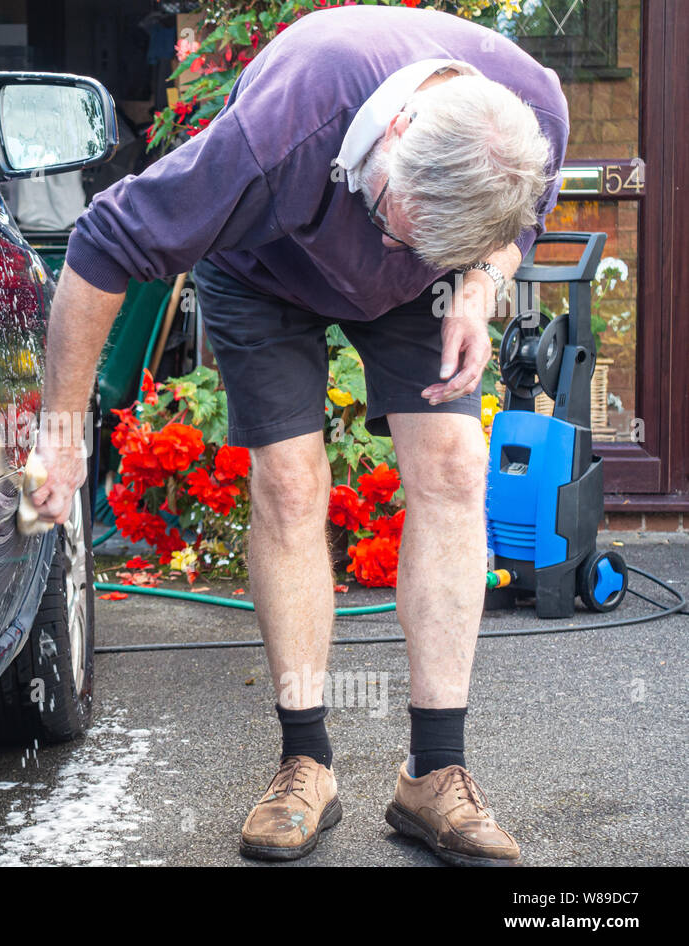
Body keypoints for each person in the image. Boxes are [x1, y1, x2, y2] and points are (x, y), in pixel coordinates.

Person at [28, 3, 567, 866]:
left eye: (422, 240)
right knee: (289, 481)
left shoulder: (531, 108)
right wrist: (60, 432)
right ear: (395, 131)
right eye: (397, 222)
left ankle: (435, 773)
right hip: (262, 269)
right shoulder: (285, 124)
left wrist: (480, 277)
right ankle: (305, 760)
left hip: (422, 292)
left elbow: (518, 222)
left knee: (458, 466)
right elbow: (102, 242)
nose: (396, 244)